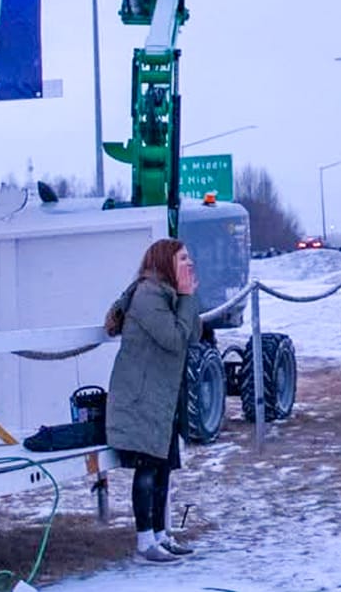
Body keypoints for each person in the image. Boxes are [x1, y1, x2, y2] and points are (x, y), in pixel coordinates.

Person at [104, 238, 201, 564]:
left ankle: (161, 535)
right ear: (164, 262)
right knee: (146, 470)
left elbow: (194, 333)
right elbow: (174, 339)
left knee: (163, 470)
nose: (189, 263)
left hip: (162, 399)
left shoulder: (170, 295)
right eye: (183, 258)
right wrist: (186, 297)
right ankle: (145, 542)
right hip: (141, 400)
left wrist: (188, 297)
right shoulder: (148, 296)